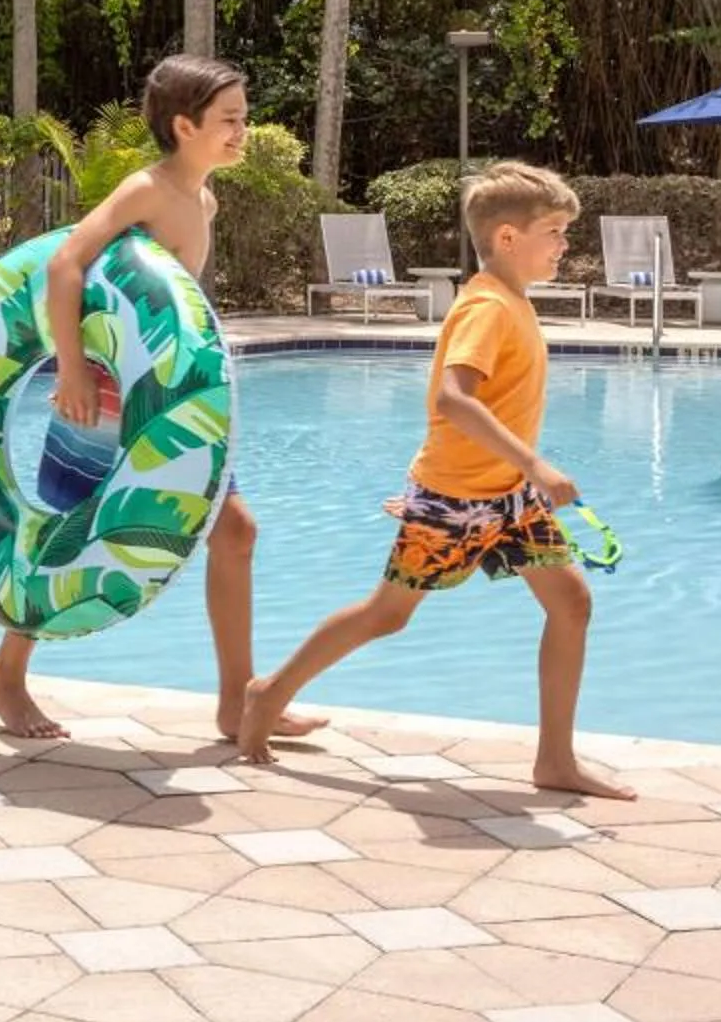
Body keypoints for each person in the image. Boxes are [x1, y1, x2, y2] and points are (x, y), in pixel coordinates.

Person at [236, 160, 634, 799]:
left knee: (572, 603)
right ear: (508, 238)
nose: (566, 245)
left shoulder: (513, 302)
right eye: (555, 231)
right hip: (455, 499)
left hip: (509, 498)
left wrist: (523, 474)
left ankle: (554, 760)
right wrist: (534, 463)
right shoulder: (486, 308)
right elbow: (453, 399)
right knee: (387, 615)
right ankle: (269, 691)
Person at [0, 55, 324, 745]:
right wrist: (72, 370)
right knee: (66, 532)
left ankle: (237, 704)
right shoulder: (147, 190)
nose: (243, 132)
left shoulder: (203, 199)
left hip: (171, 404)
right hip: (104, 402)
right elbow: (64, 262)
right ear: (183, 125)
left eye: (243, 118)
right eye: (230, 120)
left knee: (236, 531)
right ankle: (6, 674)